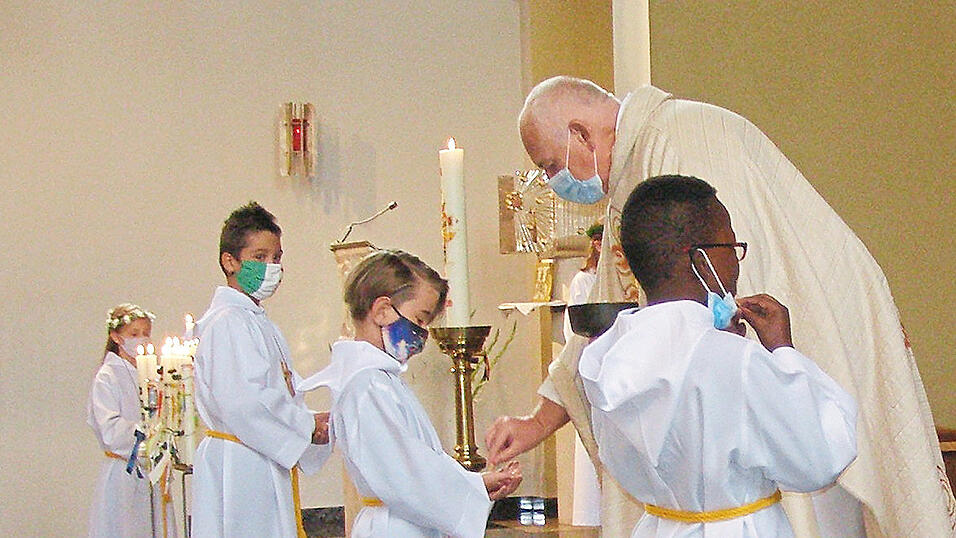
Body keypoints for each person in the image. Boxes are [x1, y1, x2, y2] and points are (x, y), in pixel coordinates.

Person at [486, 76, 955, 536]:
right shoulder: (638, 167)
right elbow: (820, 450)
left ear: (580, 135)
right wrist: (539, 420)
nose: (555, 183)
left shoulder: (678, 144)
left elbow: (615, 334)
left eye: (551, 167)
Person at [583, 174, 858, 536]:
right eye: (730, 246)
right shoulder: (735, 360)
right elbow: (817, 458)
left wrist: (719, 345)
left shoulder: (606, 353)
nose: (736, 261)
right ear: (699, 258)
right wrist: (783, 352)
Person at [299, 249, 522, 538]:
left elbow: (417, 459)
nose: (422, 334)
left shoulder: (381, 379)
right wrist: (473, 489)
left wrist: (475, 484)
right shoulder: (366, 385)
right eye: (419, 320)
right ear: (381, 311)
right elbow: (402, 472)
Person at [192, 202, 331, 538]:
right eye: (259, 257)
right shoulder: (228, 324)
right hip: (240, 465)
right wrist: (305, 424)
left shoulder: (253, 320)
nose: (271, 267)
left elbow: (276, 391)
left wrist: (311, 417)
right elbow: (244, 402)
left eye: (277, 257)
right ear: (230, 261)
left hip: (256, 455)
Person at [87, 303, 177, 537]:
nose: (142, 339)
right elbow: (109, 430)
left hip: (151, 470)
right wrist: (146, 431)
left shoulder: (149, 373)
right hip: (124, 471)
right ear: (116, 337)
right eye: (134, 334)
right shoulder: (107, 376)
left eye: (145, 333)